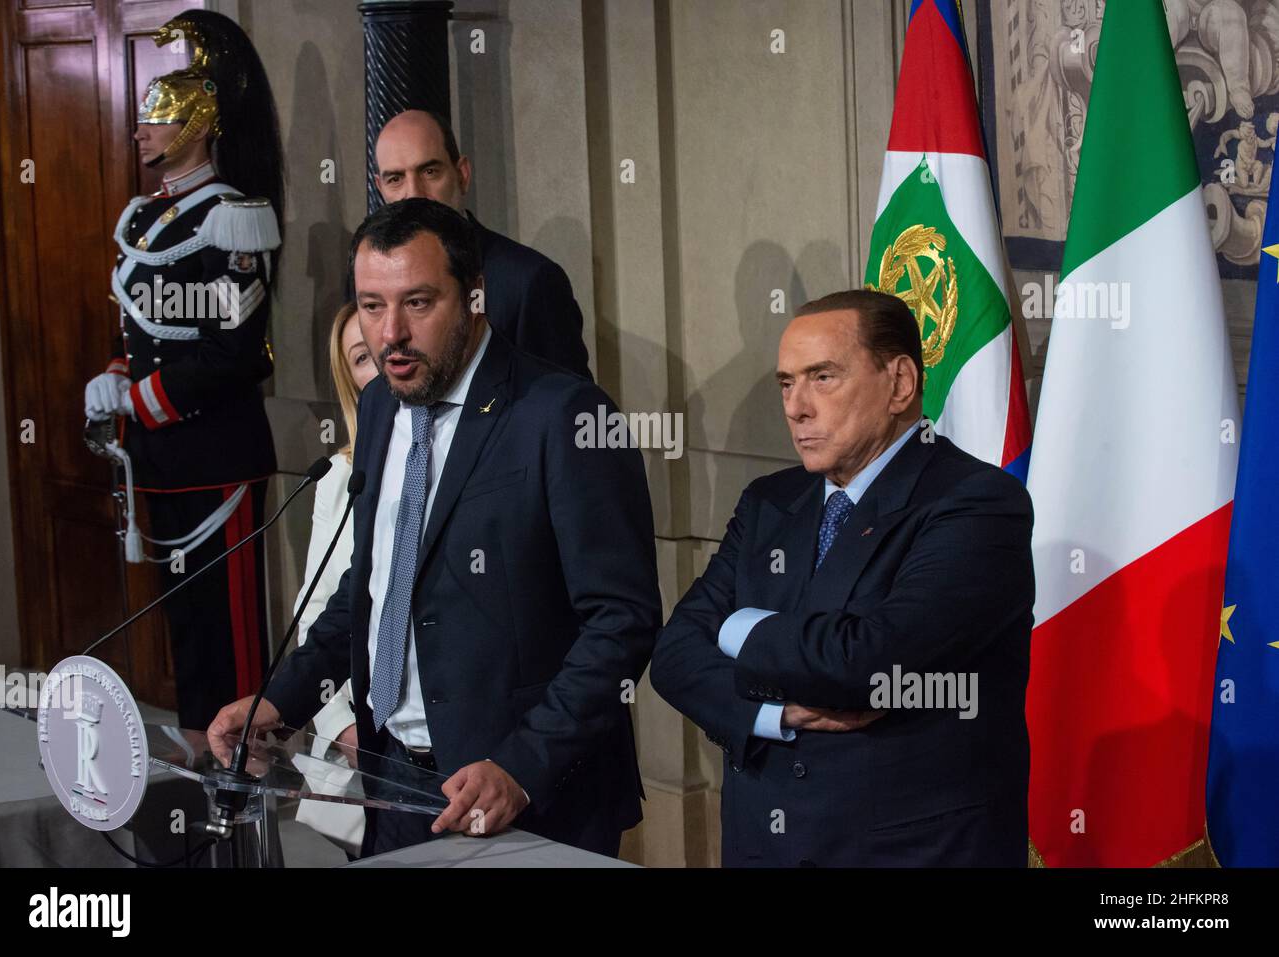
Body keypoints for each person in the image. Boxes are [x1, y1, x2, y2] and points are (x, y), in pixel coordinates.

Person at [209, 198, 660, 858]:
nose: (387, 332)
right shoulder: (380, 408)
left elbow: (622, 618)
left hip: (528, 797)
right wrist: (280, 700)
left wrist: (524, 765)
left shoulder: (562, 416)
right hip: (392, 779)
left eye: (417, 303)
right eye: (370, 304)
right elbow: (371, 592)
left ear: (475, 297)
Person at [649, 289, 1034, 867]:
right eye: (786, 383)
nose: (796, 407)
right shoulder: (768, 502)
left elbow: (867, 664)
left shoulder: (976, 502)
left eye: (822, 377)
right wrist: (773, 714)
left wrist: (738, 625)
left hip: (905, 853)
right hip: (762, 846)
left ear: (900, 383)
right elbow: (675, 655)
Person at [82, 10, 284, 730]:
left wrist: (141, 397)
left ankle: (241, 776)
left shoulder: (234, 216)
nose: (140, 130)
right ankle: (200, 772)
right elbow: (139, 326)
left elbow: (235, 353)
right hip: (157, 458)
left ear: (196, 126)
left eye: (155, 118)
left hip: (214, 455)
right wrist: (114, 373)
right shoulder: (145, 216)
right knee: (185, 636)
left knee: (229, 644)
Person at [373, 109, 591, 378]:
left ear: (462, 174)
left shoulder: (528, 282)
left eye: (429, 171)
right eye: (395, 179)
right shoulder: (367, 284)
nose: (414, 194)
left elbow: (568, 409)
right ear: (380, 189)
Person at [288, 302, 378, 856]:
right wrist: (342, 724)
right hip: (353, 735)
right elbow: (316, 608)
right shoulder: (339, 473)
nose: (382, 360)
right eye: (361, 357)